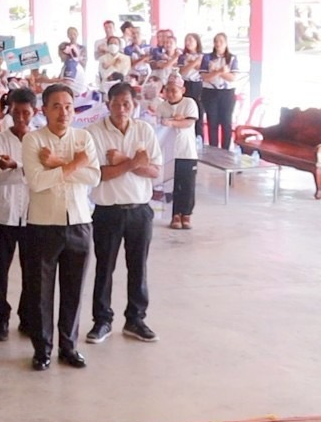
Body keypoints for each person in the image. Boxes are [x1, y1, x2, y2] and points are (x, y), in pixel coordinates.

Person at [21, 83, 101, 371]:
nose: (63, 112)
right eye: (56, 106)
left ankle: (69, 347)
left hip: (79, 223)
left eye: (68, 106)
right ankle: (42, 349)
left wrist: (58, 164)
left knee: (73, 289)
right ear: (44, 110)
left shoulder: (84, 138)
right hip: (43, 225)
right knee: (40, 292)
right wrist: (74, 165)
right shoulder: (33, 141)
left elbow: (94, 177)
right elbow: (37, 182)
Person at [85, 82, 162, 345]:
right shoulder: (93, 133)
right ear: (108, 105)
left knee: (138, 267)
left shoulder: (144, 130)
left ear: (134, 105)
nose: (121, 108)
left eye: (126, 103)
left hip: (140, 211)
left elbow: (155, 171)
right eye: (116, 103)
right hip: (108, 211)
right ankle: (102, 320)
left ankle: (136, 319)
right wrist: (133, 162)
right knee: (104, 268)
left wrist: (120, 160)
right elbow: (99, 175)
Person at [0, 88, 36, 341]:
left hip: (32, 215)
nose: (21, 118)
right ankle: (0, 319)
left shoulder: (40, 139)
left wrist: (15, 166)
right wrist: (24, 171)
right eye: (16, 112)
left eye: (26, 113)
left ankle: (28, 318)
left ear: (35, 112)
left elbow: (40, 175)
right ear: (9, 111)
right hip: (2, 214)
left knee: (33, 270)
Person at [157, 78, 199, 230]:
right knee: (171, 184)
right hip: (168, 152)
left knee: (187, 184)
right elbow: (158, 124)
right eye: (167, 90)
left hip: (186, 151)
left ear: (183, 90)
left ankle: (186, 214)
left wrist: (172, 122)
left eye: (174, 90)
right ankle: (174, 214)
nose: (170, 94)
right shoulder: (161, 106)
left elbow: (188, 122)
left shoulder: (189, 103)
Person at [200, 32, 238, 149]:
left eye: (221, 41)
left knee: (226, 123)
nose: (218, 44)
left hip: (227, 93)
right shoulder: (207, 58)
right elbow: (205, 77)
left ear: (226, 43)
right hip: (210, 92)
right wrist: (220, 71)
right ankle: (213, 150)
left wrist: (218, 72)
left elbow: (232, 78)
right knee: (212, 123)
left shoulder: (232, 58)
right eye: (216, 41)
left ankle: (226, 150)